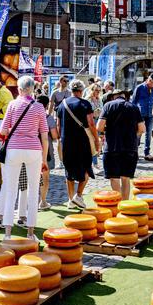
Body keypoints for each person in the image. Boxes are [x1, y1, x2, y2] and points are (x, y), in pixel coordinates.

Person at [0, 76, 49, 238]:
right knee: (33, 190)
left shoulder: (13, 105)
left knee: (10, 189)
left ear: (20, 89)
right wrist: (44, 158)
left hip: (14, 148)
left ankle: (7, 233)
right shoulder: (39, 107)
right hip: (34, 150)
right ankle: (30, 232)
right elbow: (44, 135)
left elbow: (4, 131)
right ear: (33, 89)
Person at [56, 79, 97, 208]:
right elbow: (90, 123)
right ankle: (78, 195)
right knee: (86, 168)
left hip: (67, 142)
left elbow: (58, 125)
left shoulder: (62, 104)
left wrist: (60, 139)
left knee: (69, 171)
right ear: (82, 90)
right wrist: (96, 138)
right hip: (82, 142)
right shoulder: (85, 104)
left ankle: (70, 200)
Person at [97, 89, 144, 199]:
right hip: (130, 147)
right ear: (125, 97)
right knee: (125, 178)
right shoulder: (134, 107)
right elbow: (142, 129)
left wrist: (107, 131)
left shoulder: (108, 105)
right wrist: (132, 135)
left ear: (114, 96)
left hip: (112, 146)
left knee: (114, 177)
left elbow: (99, 127)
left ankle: (117, 202)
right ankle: (125, 204)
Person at [36, 93, 58, 209]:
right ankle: (43, 201)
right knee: (45, 177)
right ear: (46, 105)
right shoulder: (48, 118)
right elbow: (54, 136)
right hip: (46, 150)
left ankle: (30, 200)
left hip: (31, 148)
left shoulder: (31, 116)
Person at [132, 73, 153, 161]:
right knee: (139, 132)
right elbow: (134, 102)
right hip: (140, 114)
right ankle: (134, 151)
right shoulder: (139, 88)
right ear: (149, 80)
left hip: (150, 114)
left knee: (148, 134)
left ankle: (146, 153)